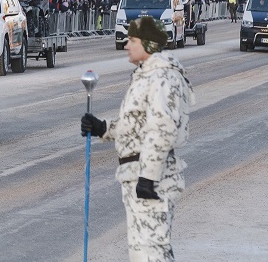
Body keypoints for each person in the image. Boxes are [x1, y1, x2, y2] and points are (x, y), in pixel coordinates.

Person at [80, 16, 195, 262]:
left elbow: (162, 128)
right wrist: (103, 128)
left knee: (152, 252)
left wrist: (148, 177)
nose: (127, 46)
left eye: (132, 40)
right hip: (135, 174)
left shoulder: (163, 77)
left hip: (153, 178)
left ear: (148, 44)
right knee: (141, 252)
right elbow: (136, 124)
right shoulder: (145, 74)